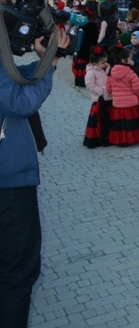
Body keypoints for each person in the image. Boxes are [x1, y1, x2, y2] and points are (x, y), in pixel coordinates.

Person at [0, 26, 69, 327]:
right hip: (9, 182)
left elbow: (14, 80)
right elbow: (20, 103)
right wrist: (50, 66)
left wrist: (46, 61)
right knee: (18, 269)